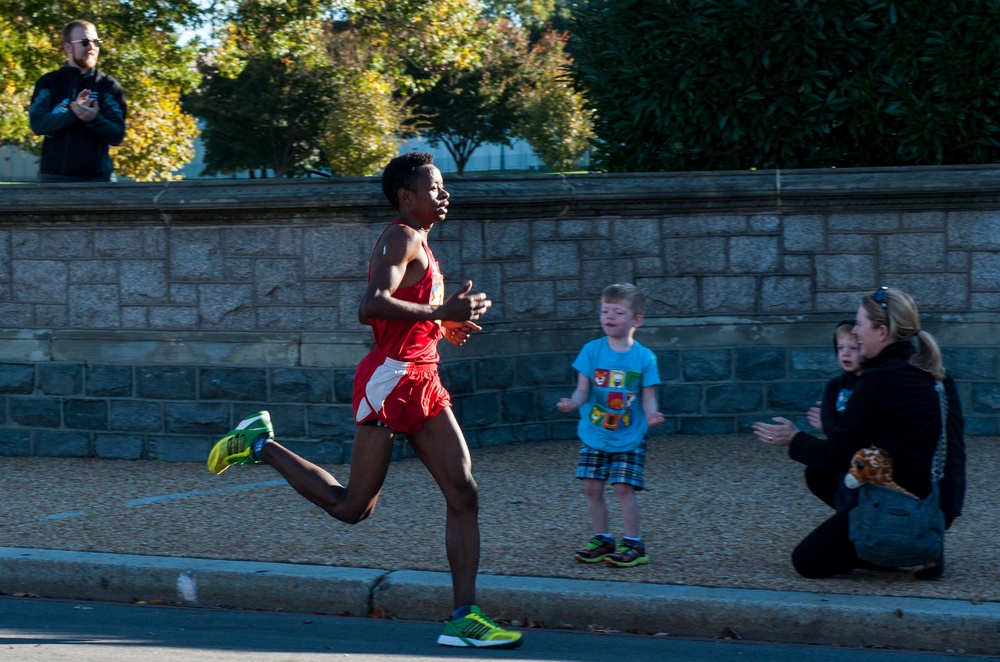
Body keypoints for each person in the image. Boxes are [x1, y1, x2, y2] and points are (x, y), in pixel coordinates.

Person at [206, 153, 522, 649]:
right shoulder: (400, 235)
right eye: (435, 187)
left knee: (464, 493)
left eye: (443, 187)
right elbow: (370, 305)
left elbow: (405, 314)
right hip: (392, 380)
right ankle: (259, 444)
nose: (445, 194)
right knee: (353, 507)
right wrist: (440, 308)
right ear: (406, 196)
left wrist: (442, 325)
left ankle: (464, 617)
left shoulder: (422, 243)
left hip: (423, 378)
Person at [753, 287, 966, 580]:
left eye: (860, 324)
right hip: (934, 507)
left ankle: (897, 549)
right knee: (817, 475)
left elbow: (838, 455)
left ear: (882, 331)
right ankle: (923, 541)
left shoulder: (879, 379)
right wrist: (944, 515)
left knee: (808, 561)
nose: (854, 331)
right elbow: (955, 453)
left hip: (899, 505)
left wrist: (793, 438)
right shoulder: (935, 374)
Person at [557, 283, 665, 568]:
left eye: (618, 311)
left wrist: (653, 415)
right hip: (594, 433)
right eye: (606, 310)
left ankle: (633, 543)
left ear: (636, 321)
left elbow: (649, 397)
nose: (610, 316)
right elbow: (582, 390)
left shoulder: (645, 358)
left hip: (629, 435)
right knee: (592, 486)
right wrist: (573, 402)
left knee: (622, 487)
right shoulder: (591, 351)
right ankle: (603, 538)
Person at [29, 19, 127, 182]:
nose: (91, 47)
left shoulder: (109, 86)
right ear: (68, 47)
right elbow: (38, 124)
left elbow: (117, 135)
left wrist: (94, 119)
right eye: (84, 42)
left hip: (97, 181)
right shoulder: (48, 83)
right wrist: (73, 113)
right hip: (53, 180)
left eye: (96, 42)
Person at [803, 320, 864, 513]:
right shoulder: (835, 386)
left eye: (853, 348)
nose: (845, 353)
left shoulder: (870, 383)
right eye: (841, 348)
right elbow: (828, 418)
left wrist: (829, 425)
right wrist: (828, 426)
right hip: (842, 454)